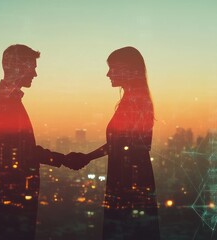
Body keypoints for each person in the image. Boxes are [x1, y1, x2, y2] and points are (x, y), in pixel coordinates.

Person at [0, 44, 86, 240]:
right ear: (18, 67)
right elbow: (21, 151)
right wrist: (62, 159)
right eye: (32, 67)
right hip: (12, 192)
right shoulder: (3, 102)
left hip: (11, 191)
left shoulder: (4, 99)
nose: (35, 74)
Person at [70, 46, 160, 239]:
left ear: (127, 69)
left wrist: (87, 157)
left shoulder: (134, 102)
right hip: (130, 177)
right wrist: (88, 157)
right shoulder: (135, 99)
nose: (108, 74)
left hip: (129, 180)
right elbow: (120, 143)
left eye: (113, 68)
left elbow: (121, 144)